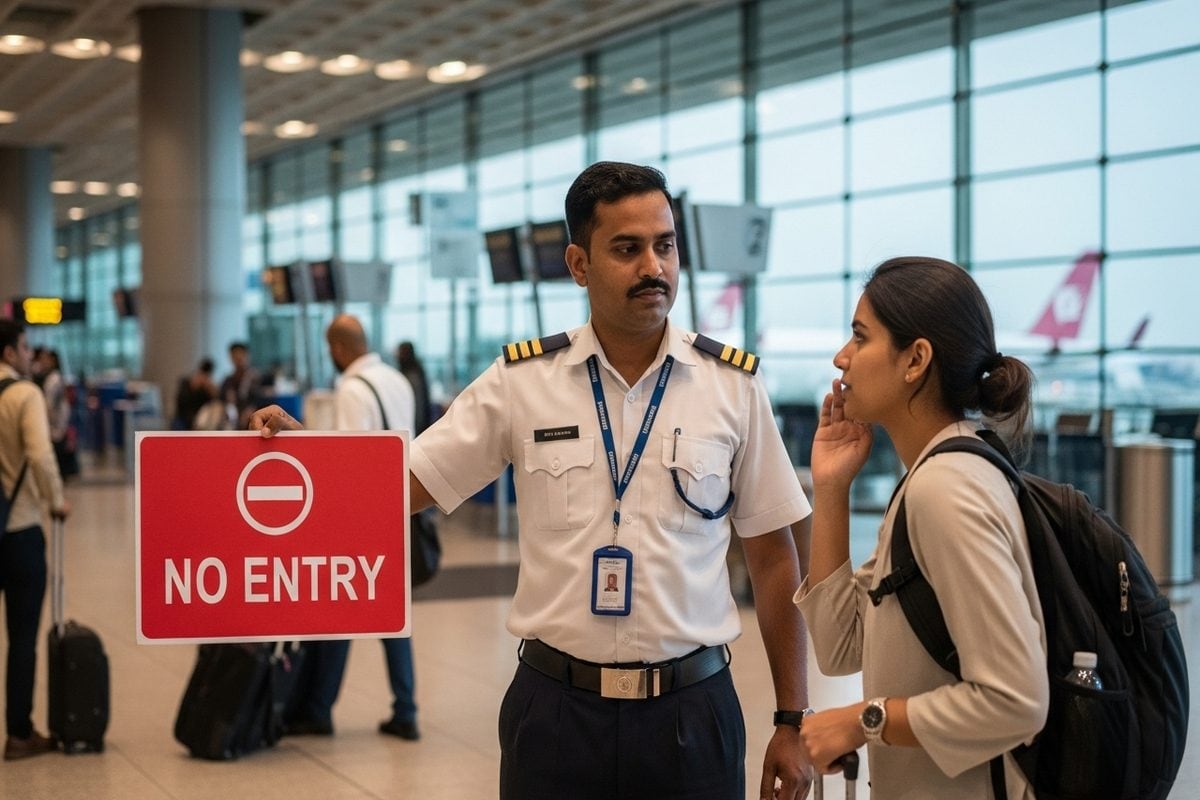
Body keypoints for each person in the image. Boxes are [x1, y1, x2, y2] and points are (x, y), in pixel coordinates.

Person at [254, 161, 814, 800]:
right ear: (579, 265)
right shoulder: (523, 381)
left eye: (665, 245)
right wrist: (308, 460)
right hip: (555, 716)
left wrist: (792, 720)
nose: (653, 267)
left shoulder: (732, 388)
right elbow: (408, 482)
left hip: (692, 714)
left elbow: (773, 559)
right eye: (627, 249)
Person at [794, 256, 1049, 798]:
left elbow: (1017, 699)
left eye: (860, 338)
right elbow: (841, 647)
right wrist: (832, 488)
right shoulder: (929, 478)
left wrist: (864, 720)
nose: (842, 357)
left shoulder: (946, 490)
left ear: (916, 360)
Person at [284, 314, 421, 741]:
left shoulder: (351, 389)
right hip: (401, 510)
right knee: (391, 618)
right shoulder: (397, 379)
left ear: (340, 349)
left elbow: (349, 460)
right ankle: (406, 709)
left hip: (363, 518)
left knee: (341, 611)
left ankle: (319, 709)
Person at [0, 319, 70, 760]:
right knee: (22, 637)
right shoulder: (25, 394)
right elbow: (41, 455)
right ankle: (19, 734)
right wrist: (56, 501)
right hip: (19, 530)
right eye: (25, 347)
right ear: (9, 352)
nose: (30, 355)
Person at [36, 349, 77, 479]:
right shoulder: (49, 377)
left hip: (56, 426)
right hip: (55, 425)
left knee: (58, 462)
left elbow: (50, 404)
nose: (42, 362)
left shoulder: (54, 379)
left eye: (45, 359)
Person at [220, 342, 265, 430]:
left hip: (254, 417)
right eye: (235, 356)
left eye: (241, 355)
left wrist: (252, 410)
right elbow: (222, 399)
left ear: (247, 356)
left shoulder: (256, 378)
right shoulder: (228, 380)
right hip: (232, 418)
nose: (238, 359)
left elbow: (261, 398)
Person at [396, 341, 432, 435]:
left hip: (416, 430)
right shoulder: (416, 371)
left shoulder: (411, 376)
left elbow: (418, 409)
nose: (396, 355)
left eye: (399, 352)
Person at [173, 357, 218, 430]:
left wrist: (210, 390)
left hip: (200, 418)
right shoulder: (186, 382)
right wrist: (193, 387)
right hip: (183, 418)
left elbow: (213, 403)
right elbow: (181, 402)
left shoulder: (209, 386)